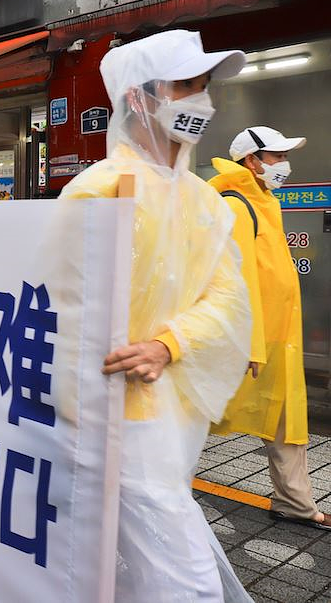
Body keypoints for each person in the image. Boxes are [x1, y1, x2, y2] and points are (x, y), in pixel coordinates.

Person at [60, 30, 253, 601]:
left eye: (205, 85)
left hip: (174, 409)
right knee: (185, 578)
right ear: (138, 98)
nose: (202, 99)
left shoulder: (204, 200)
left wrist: (169, 344)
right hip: (112, 410)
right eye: (185, 85)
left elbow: (229, 297)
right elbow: (60, 305)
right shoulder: (99, 190)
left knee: (129, 560)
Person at [208, 127, 330, 531]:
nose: (284, 164)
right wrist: (249, 344)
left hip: (278, 338)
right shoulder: (237, 204)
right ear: (252, 161)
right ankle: (147, 481)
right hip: (251, 342)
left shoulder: (264, 202)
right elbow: (236, 280)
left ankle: (294, 503)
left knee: (286, 421)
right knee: (199, 412)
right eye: (278, 156)